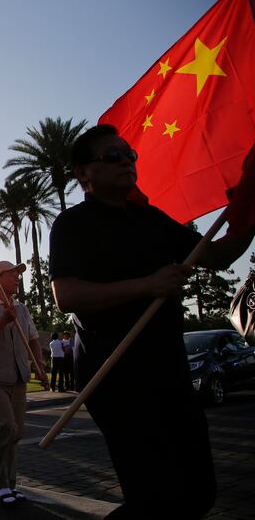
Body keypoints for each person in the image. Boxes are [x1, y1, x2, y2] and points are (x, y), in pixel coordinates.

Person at [49, 124, 255, 518]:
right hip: (114, 375)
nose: (126, 161)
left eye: (130, 155)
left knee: (199, 491)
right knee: (153, 498)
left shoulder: (152, 220)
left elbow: (216, 256)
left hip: (169, 368)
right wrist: (148, 285)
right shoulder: (72, 225)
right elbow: (67, 296)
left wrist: (249, 208)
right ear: (84, 172)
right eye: (113, 156)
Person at [0, 260, 48, 506]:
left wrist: (40, 366)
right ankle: (0, 484)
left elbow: (33, 339)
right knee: (5, 426)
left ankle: (10, 484)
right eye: (12, 274)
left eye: (18, 274)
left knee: (16, 432)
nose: (17, 278)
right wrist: (3, 320)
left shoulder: (21, 309)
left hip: (18, 378)